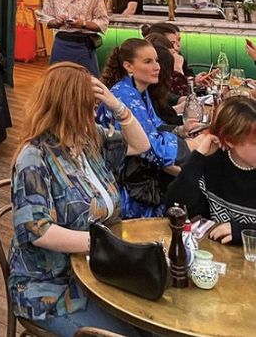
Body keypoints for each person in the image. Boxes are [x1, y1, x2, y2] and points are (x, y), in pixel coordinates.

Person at [9, 63, 150, 337]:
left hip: (96, 273)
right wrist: (104, 243)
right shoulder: (34, 157)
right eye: (89, 105)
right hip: (50, 290)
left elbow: (141, 145)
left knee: (153, 322)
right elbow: (37, 231)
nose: (94, 111)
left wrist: (118, 106)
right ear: (67, 107)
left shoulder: (88, 139)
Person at [99, 38, 195, 218]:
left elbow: (155, 125)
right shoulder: (124, 95)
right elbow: (150, 146)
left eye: (156, 60)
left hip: (138, 173)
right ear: (129, 67)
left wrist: (180, 131)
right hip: (125, 184)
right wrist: (191, 146)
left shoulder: (137, 89)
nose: (157, 66)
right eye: (148, 61)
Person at [166, 95, 256, 245]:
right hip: (214, 258)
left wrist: (245, 231)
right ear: (230, 140)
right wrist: (198, 157)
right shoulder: (211, 162)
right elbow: (175, 207)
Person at [43, 0, 108, 75]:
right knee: (58, 82)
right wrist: (56, 22)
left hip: (83, 46)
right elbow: (46, 18)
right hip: (61, 44)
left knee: (87, 84)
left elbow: (103, 22)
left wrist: (83, 24)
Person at [142, 22, 214, 95]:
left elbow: (186, 76)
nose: (177, 46)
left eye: (179, 40)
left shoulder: (178, 57)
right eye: (172, 43)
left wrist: (195, 81)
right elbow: (182, 94)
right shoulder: (156, 67)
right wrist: (177, 69)